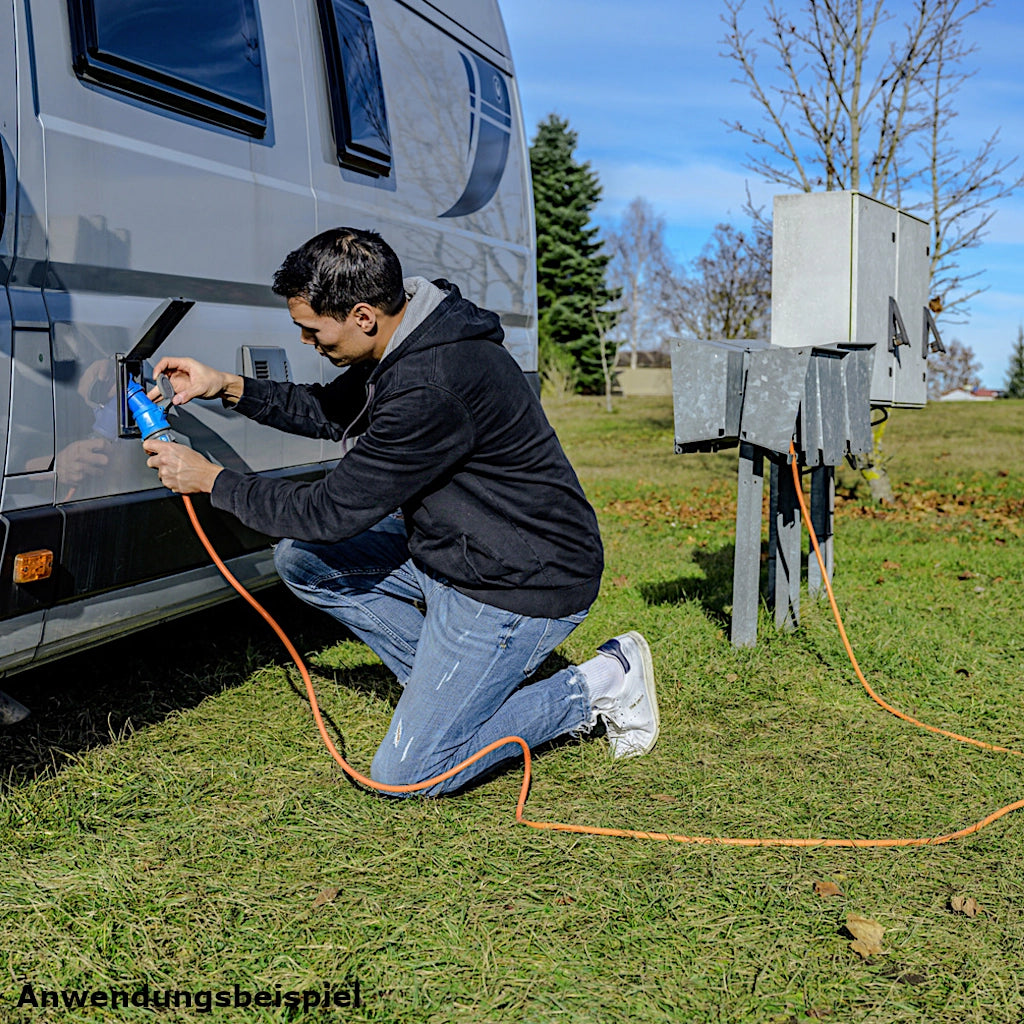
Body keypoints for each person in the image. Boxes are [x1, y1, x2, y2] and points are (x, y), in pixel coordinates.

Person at [144, 227, 658, 796]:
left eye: (312, 330)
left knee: (408, 774)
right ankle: (456, 693)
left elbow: (330, 511)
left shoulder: (433, 382)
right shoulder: (412, 336)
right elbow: (332, 411)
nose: (307, 342)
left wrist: (211, 479)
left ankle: (602, 682)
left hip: (519, 581)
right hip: (461, 550)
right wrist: (228, 386)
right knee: (305, 562)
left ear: (362, 315)